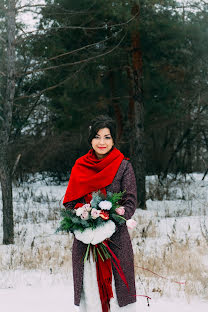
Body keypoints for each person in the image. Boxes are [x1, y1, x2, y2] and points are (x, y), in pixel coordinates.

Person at [63, 115, 137, 312]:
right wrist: (82, 224)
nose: (102, 142)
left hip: (116, 241)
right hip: (85, 243)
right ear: (90, 139)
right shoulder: (80, 166)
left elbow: (130, 202)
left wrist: (111, 224)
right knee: (90, 291)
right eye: (97, 136)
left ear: (114, 140)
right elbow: (70, 203)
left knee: (118, 293)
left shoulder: (123, 166)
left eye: (107, 137)